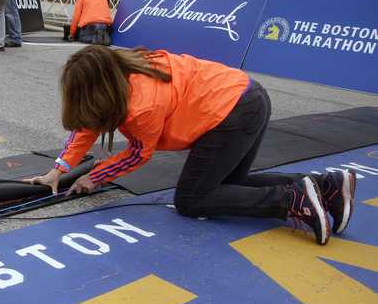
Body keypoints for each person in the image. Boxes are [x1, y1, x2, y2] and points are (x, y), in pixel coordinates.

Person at [25, 47, 357, 246]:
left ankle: (292, 200)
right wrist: (59, 170)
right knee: (229, 187)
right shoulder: (124, 70)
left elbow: (139, 154)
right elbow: (88, 123)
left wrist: (94, 177)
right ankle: (325, 186)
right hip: (246, 96)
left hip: (229, 114)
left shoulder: (142, 105)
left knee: (193, 198)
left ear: (101, 91)